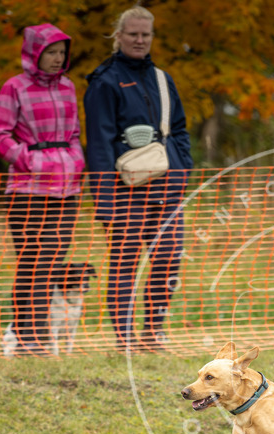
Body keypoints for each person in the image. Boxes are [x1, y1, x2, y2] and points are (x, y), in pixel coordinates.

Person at [84, 5, 193, 352]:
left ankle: (153, 333)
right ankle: (125, 338)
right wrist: (104, 201)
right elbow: (99, 145)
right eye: (132, 34)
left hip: (168, 187)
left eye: (146, 34)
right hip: (124, 191)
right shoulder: (104, 81)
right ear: (118, 36)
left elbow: (179, 129)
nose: (139, 40)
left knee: (167, 258)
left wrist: (183, 167)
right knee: (125, 264)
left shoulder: (163, 79)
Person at [0, 23, 86, 357]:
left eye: (61, 53)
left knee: (54, 263)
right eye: (51, 53)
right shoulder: (14, 87)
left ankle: (40, 338)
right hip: (28, 188)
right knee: (32, 262)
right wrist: (28, 159)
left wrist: (75, 159)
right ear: (34, 54)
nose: (57, 60)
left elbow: (73, 133)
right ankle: (29, 335)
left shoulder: (68, 87)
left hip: (68, 190)